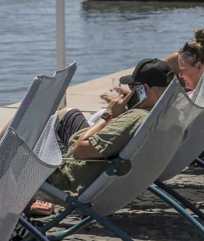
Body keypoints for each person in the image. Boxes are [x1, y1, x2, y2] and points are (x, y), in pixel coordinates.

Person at [45, 58, 174, 197]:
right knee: (68, 114)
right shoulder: (169, 112)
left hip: (73, 179)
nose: (131, 92)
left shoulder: (135, 118)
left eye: (133, 88)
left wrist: (108, 115)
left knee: (38, 131)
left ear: (145, 89)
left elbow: (79, 151)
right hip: (115, 179)